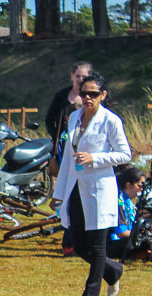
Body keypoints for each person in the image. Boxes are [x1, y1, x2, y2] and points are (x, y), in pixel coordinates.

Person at [52, 72, 131, 296]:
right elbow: (67, 158)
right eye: (84, 93)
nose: (87, 98)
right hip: (76, 188)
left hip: (99, 188)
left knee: (97, 247)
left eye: (93, 94)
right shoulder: (74, 117)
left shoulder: (111, 121)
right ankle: (113, 271)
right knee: (79, 245)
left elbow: (125, 154)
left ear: (103, 95)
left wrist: (95, 158)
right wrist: (59, 192)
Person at [46, 61, 93, 257]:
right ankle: (69, 242)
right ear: (72, 76)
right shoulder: (61, 97)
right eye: (78, 76)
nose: (80, 80)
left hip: (88, 155)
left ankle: (85, 241)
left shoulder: (94, 98)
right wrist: (57, 141)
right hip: (66, 149)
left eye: (84, 76)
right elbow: (50, 120)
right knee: (68, 195)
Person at [107, 165, 145, 260]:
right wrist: (142, 235)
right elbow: (122, 233)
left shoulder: (129, 201)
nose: (142, 190)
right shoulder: (118, 201)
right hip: (114, 244)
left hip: (126, 240)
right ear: (129, 185)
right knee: (147, 241)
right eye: (139, 186)